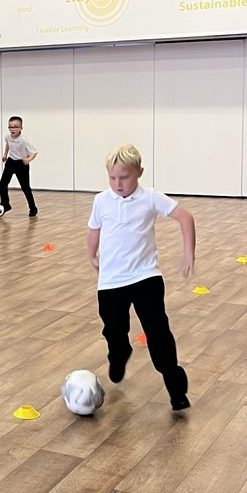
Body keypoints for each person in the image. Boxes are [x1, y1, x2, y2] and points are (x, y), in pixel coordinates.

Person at [86, 143, 195, 413]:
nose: (118, 184)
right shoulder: (101, 200)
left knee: (158, 333)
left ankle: (175, 388)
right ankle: (119, 353)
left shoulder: (150, 198)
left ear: (139, 173)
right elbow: (93, 229)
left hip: (146, 277)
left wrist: (188, 254)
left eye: (124, 177)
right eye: (113, 178)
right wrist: (91, 255)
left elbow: (185, 218)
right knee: (114, 331)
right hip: (111, 282)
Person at [0, 115, 38, 216]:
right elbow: (8, 144)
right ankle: (5, 204)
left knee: (25, 187)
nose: (13, 129)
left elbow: (34, 152)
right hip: (11, 162)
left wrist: (28, 160)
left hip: (21, 164)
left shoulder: (24, 140)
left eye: (15, 127)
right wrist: (5, 155)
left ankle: (33, 208)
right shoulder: (7, 137)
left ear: (21, 128)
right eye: (10, 127)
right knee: (3, 183)